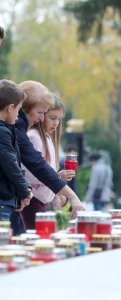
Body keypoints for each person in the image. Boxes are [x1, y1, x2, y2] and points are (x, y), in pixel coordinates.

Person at [15, 81, 85, 227]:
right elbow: (35, 170)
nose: (56, 123)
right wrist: (60, 182)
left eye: (59, 119)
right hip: (31, 199)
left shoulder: (44, 137)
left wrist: (56, 193)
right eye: (43, 114)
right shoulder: (31, 135)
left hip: (38, 199)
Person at [0, 79, 33, 229]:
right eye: (18, 110)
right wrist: (25, 191)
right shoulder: (2, 132)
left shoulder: (6, 129)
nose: (18, 116)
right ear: (10, 107)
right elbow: (10, 164)